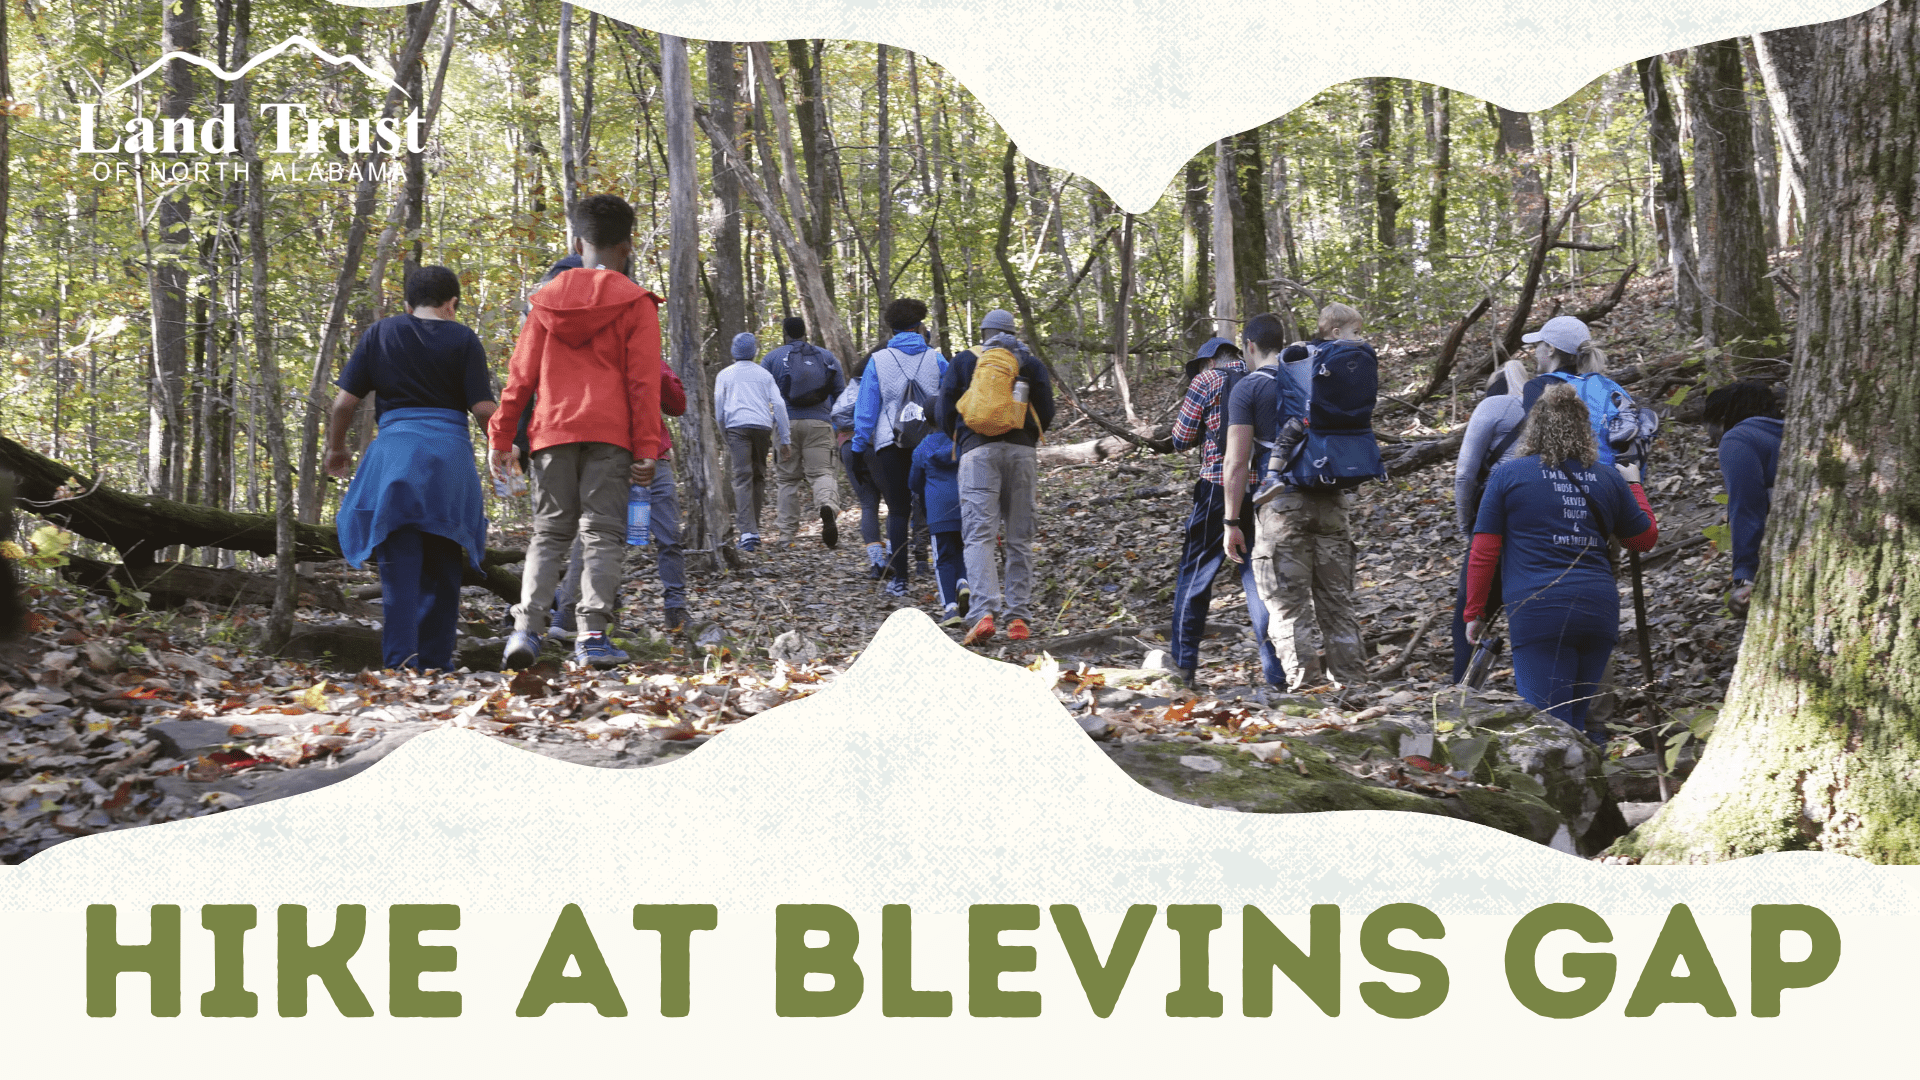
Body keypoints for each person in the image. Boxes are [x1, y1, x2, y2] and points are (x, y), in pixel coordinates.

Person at [488, 193, 663, 670]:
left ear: (576, 240)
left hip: (552, 432)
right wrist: (648, 446)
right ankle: (591, 637)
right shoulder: (637, 303)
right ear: (627, 247)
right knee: (604, 534)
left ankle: (526, 631)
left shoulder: (544, 301)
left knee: (549, 534)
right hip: (611, 436)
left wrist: (501, 439)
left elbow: (519, 378)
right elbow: (644, 383)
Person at [1463, 383, 1660, 734]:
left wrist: (1475, 612)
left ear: (1533, 426)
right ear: (1585, 429)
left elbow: (1484, 551)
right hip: (1598, 609)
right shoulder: (1608, 477)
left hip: (1538, 610)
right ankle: (1593, 783)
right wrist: (1634, 485)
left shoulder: (1508, 475)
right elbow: (1643, 540)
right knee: (1583, 720)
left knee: (1549, 726)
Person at [328, 265, 495, 672]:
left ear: (407, 303)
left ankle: (400, 664)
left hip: (396, 457)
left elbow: (344, 404)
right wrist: (504, 452)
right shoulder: (464, 338)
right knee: (443, 564)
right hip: (448, 460)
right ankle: (437, 663)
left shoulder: (380, 333)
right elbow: (483, 409)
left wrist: (336, 449)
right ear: (451, 304)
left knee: (398, 567)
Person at [519, 254, 689, 639]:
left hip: (580, 442)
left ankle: (546, 625)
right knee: (611, 536)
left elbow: (521, 382)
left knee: (580, 535)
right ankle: (592, 627)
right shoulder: (628, 316)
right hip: (634, 452)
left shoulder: (549, 317)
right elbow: (666, 397)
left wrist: (509, 440)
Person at [1223, 309, 1368, 689]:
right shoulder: (1315, 374)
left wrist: (1231, 522)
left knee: (1288, 608)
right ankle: (1356, 690)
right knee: (1337, 603)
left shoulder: (1248, 388)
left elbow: (1236, 463)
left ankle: (1308, 696)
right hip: (1332, 499)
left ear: (1249, 346)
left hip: (1281, 504)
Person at [1166, 336, 1284, 689]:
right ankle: (1277, 674)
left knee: (1196, 577)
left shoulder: (1208, 380)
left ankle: (1183, 668)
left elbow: (1180, 438)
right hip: (1263, 489)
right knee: (1260, 581)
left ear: (1208, 362)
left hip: (1217, 488)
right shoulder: (1268, 377)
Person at [939, 307, 1054, 645]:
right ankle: (1018, 618)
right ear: (1013, 333)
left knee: (979, 537)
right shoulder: (1028, 363)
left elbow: (944, 409)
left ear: (983, 332)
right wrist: (1027, 436)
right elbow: (1046, 409)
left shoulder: (964, 360)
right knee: (1019, 537)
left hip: (977, 453)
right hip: (1021, 452)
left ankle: (983, 613)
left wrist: (964, 438)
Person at [850, 298, 947, 598]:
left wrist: (856, 448)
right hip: (930, 442)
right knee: (935, 508)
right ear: (919, 327)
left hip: (889, 443)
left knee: (897, 511)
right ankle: (948, 575)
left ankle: (901, 580)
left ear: (890, 330)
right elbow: (950, 400)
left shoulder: (878, 361)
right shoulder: (937, 360)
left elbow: (866, 409)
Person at [1448, 358, 1533, 682]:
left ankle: (1463, 695)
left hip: (1495, 522)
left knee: (1469, 617)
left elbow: (1465, 474)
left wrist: (1466, 526)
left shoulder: (1493, 406)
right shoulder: (1547, 406)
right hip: (1542, 522)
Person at [762, 315, 845, 550]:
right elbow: (841, 393)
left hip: (785, 423)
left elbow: (763, 394)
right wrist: (835, 424)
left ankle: (786, 535)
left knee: (787, 480)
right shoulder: (826, 357)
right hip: (819, 422)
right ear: (805, 331)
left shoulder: (772, 358)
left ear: (785, 333)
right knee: (822, 473)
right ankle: (827, 505)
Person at [1704, 381, 1784, 616]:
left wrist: (1744, 576)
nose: (1712, 439)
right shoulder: (1789, 430)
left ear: (1723, 417)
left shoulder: (1738, 439)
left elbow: (1747, 507)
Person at [713, 331, 792, 553]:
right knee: (758, 476)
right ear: (755, 351)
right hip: (761, 428)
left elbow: (719, 411)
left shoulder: (724, 375)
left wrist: (724, 434)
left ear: (733, 351)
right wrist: (784, 439)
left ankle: (748, 533)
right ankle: (753, 530)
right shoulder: (764, 375)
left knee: (742, 477)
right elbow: (779, 406)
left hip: (736, 427)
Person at [831, 353, 888, 577]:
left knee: (868, 504)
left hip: (847, 446)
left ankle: (877, 564)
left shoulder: (851, 388)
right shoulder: (879, 383)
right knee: (895, 503)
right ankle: (893, 557)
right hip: (874, 445)